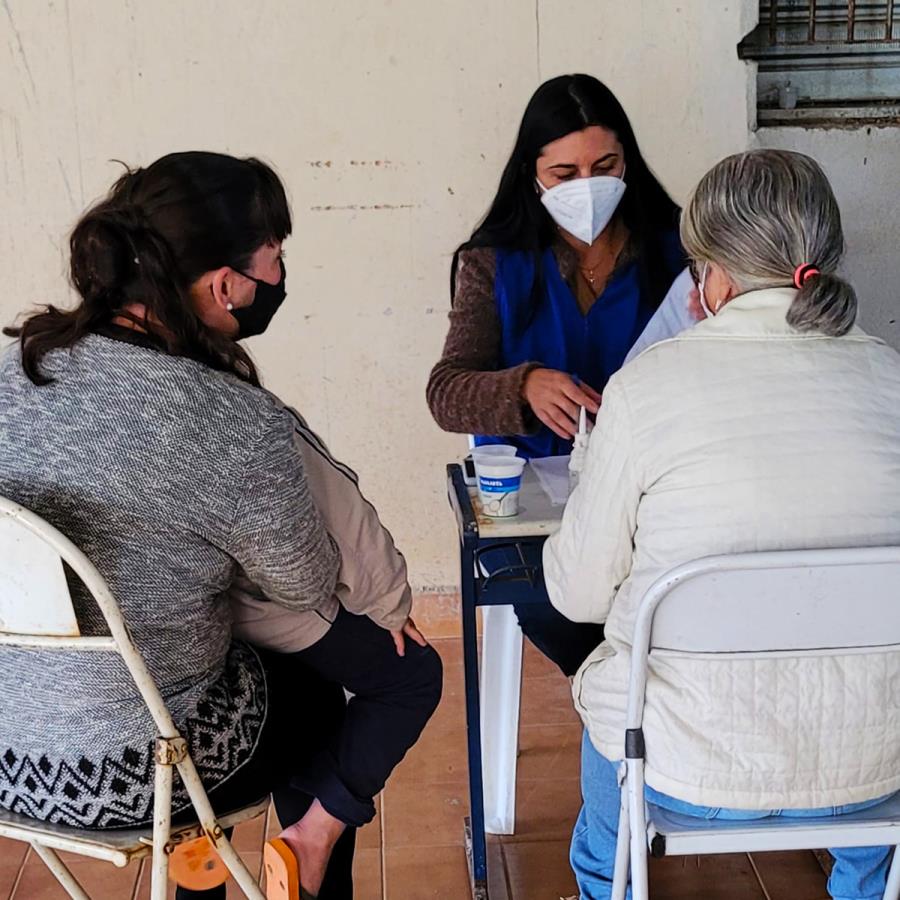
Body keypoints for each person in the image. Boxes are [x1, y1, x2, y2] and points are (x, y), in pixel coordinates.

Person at [0, 151, 442, 900]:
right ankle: (309, 842)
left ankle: (202, 868)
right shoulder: (229, 419)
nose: (279, 273)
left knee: (222, 647)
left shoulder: (13, 372)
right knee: (353, 683)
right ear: (224, 283)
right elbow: (301, 581)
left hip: (13, 759)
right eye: (275, 254)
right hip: (142, 772)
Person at [544, 149, 900, 899]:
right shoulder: (893, 381)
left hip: (679, 768)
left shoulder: (646, 390)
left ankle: (607, 884)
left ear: (716, 277)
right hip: (877, 769)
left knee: (610, 705)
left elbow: (576, 597)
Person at [426, 73, 685, 676]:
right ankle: (619, 696)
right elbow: (446, 392)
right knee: (558, 606)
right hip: (540, 519)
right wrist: (522, 386)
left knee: (680, 594)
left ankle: (628, 701)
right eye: (565, 175)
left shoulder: (678, 254)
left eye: (606, 166)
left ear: (630, 164)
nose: (588, 187)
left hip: (654, 502)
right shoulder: (493, 263)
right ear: (531, 174)